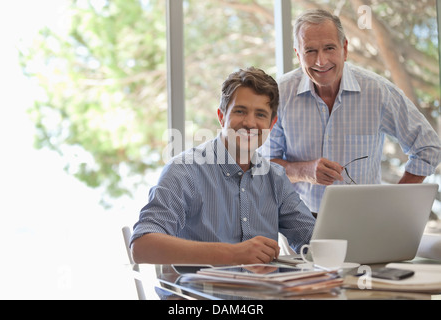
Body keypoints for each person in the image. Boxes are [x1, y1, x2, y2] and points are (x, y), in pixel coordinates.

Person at [260, 9, 441, 214]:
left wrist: (395, 206)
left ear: (344, 49)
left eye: (329, 48)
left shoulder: (377, 91)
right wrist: (304, 171)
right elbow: (265, 167)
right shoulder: (279, 94)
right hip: (297, 221)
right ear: (298, 54)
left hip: (363, 218)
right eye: (310, 51)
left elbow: (428, 147)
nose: (321, 61)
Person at [130, 67, 315, 265]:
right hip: (200, 295)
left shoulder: (275, 178)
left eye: (260, 114)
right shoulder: (185, 171)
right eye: (240, 111)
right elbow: (143, 246)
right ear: (221, 116)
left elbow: (314, 240)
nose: (250, 123)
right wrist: (232, 254)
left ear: (272, 123)